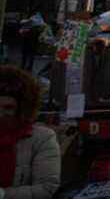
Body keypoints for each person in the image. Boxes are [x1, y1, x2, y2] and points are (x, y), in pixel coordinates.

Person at [0, 65, 61, 199]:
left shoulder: (41, 139)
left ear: (22, 109)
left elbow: (46, 188)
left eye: (8, 108)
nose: (1, 114)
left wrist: (4, 194)